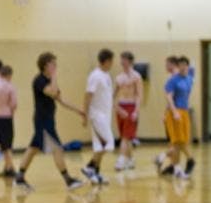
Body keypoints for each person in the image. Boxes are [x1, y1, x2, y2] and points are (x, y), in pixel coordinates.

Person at [15, 52, 84, 191]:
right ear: (46, 65)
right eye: (53, 63)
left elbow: (61, 100)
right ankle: (68, 180)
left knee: (33, 148)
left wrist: (79, 111)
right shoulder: (39, 81)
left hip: (48, 120)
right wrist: (54, 76)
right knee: (57, 149)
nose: (56, 66)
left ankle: (19, 178)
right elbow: (52, 92)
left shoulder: (49, 81)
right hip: (42, 120)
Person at [156, 56, 195, 178]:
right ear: (178, 67)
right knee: (178, 140)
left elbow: (187, 95)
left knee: (182, 140)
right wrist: (174, 112)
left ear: (187, 66)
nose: (183, 67)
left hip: (184, 111)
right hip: (175, 112)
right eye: (181, 65)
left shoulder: (189, 79)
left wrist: (185, 109)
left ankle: (170, 164)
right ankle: (188, 161)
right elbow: (169, 97)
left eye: (185, 65)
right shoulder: (173, 80)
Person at [82, 49, 115, 185]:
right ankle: (89, 167)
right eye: (112, 61)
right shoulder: (95, 76)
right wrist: (85, 115)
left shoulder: (106, 75)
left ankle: (96, 174)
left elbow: (107, 96)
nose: (112, 64)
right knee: (109, 144)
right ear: (106, 61)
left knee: (99, 147)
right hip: (97, 116)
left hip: (105, 116)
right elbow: (88, 96)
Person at [114, 51, 142, 171]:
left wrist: (136, 111)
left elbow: (140, 95)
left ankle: (121, 159)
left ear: (130, 61)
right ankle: (130, 160)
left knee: (126, 137)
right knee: (126, 136)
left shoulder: (136, 76)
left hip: (131, 107)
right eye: (121, 59)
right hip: (121, 107)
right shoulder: (119, 77)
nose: (122, 62)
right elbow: (112, 95)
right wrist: (116, 108)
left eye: (124, 59)